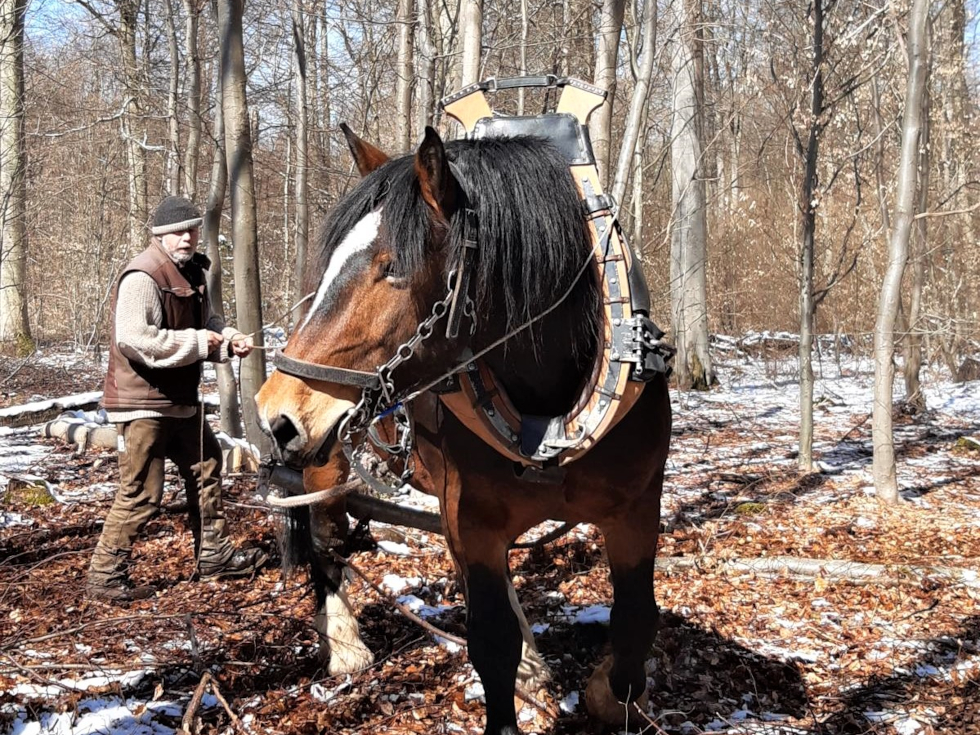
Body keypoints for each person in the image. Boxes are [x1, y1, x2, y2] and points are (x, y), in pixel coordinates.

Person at [86, 195, 268, 604]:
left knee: (206, 466)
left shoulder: (192, 272)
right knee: (141, 493)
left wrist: (227, 342)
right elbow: (135, 340)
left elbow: (208, 325)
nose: (186, 238)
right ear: (159, 236)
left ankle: (214, 555)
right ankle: (104, 576)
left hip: (180, 400)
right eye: (177, 232)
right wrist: (200, 343)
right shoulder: (143, 275)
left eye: (191, 230)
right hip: (143, 403)